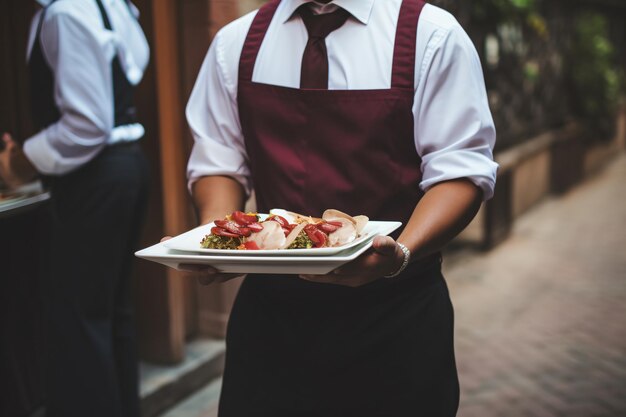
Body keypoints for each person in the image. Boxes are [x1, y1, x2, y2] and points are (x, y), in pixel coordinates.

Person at [184, 0, 498, 415]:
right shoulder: (235, 43)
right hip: (271, 324)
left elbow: (460, 172)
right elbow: (219, 161)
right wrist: (218, 240)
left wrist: (400, 252)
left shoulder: (432, 35)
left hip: (395, 321)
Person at [0, 1, 150, 416]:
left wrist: (19, 162)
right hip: (127, 166)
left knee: (77, 322)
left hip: (95, 179)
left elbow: (87, 125)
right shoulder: (108, 4)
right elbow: (135, 62)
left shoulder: (64, 12)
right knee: (108, 315)